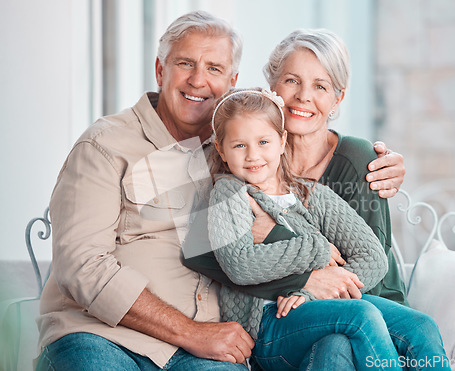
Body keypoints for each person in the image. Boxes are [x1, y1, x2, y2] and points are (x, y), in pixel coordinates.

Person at [35, 11, 406, 370]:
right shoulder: (107, 145)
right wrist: (192, 332)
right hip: (103, 335)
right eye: (185, 64)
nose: (198, 80)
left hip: (210, 347)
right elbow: (83, 267)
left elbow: (279, 208)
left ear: (232, 81)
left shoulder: (238, 150)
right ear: (160, 70)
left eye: (214, 69)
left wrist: (384, 164)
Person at [183, 29, 450, 370]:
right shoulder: (238, 165)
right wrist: (310, 265)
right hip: (281, 316)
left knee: (411, 327)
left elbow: (371, 260)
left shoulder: (348, 167)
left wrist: (299, 271)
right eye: (292, 80)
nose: (303, 96)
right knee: (339, 337)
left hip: (365, 298)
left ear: (338, 97)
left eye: (320, 86)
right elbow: (209, 254)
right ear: (272, 86)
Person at [208, 87, 409, 370]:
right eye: (240, 145)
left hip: (314, 307)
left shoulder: (311, 193)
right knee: (361, 315)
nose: (253, 155)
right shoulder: (229, 194)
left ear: (281, 141)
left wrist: (313, 291)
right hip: (269, 319)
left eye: (263, 141)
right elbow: (240, 265)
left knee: (421, 326)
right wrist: (317, 247)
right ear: (222, 149)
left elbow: (373, 257)